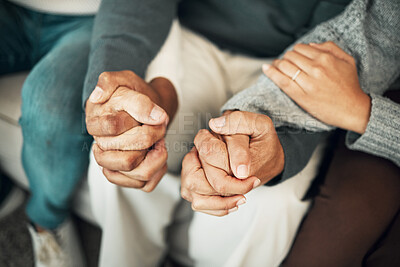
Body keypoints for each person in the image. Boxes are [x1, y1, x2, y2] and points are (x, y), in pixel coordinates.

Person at [86, 0, 399, 266]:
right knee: (124, 150)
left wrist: (279, 147)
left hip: (292, 59)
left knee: (271, 202)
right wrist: (113, 87)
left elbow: (342, 46)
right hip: (190, 36)